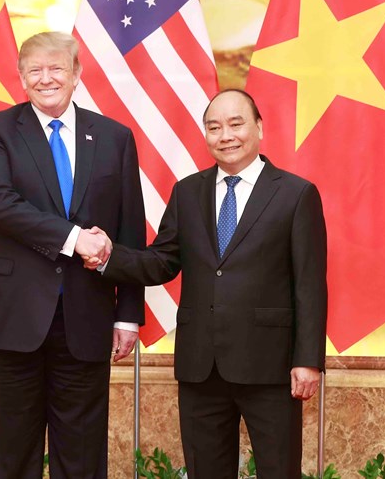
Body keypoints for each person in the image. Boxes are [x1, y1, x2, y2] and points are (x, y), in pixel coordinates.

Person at [86, 89, 327, 478]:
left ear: (259, 128)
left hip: (271, 364)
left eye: (236, 124)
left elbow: (310, 284)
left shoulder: (296, 194)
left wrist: (307, 360)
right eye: (214, 127)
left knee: (280, 470)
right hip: (201, 366)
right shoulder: (187, 192)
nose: (225, 135)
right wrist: (109, 255)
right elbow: (162, 262)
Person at [0, 31, 146, 478]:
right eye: (35, 71)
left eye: (56, 68)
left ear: (77, 74)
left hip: (86, 316)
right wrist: (74, 238)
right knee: (10, 453)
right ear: (21, 78)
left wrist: (127, 313)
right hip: (13, 315)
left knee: (82, 455)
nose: (46, 79)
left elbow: (129, 228)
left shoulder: (114, 137)